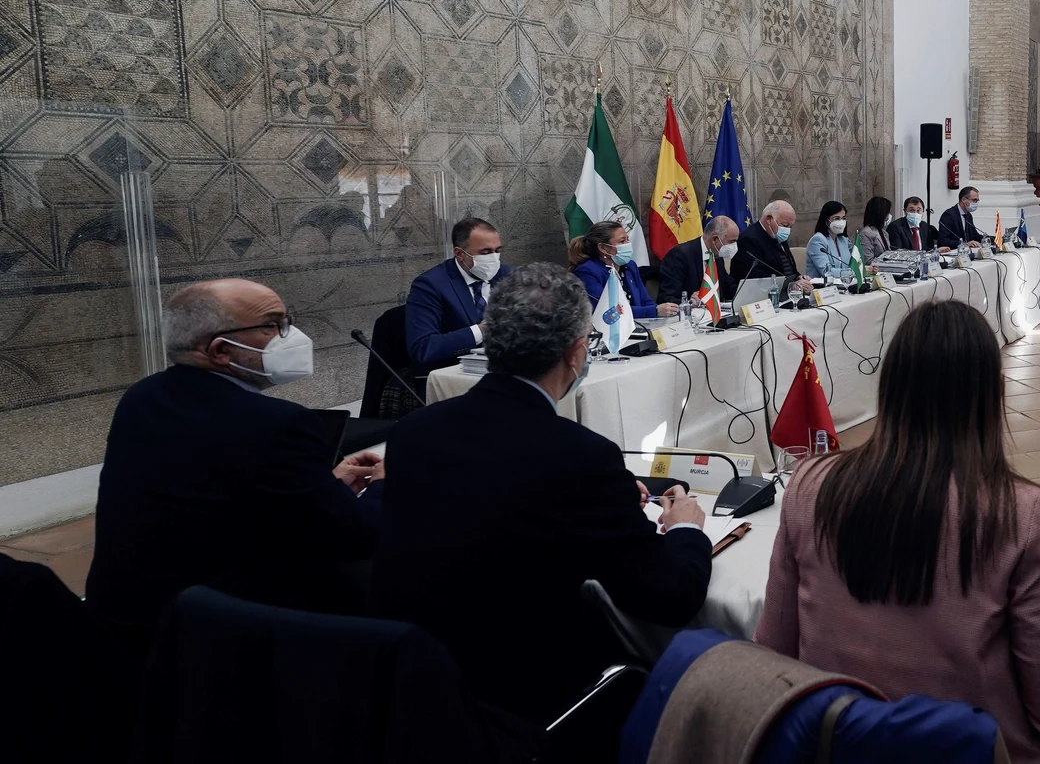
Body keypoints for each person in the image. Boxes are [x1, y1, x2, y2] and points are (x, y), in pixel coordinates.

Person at [755, 300, 1040, 764]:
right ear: (991, 395)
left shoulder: (810, 486)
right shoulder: (1022, 513)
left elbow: (772, 656)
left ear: (891, 388)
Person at [374, 263, 711, 728]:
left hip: (420, 683)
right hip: (532, 695)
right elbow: (670, 597)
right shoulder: (581, 456)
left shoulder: (412, 432)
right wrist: (687, 527)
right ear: (576, 353)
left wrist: (605, 503)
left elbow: (491, 505)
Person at [87, 279, 382, 649]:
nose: (290, 336)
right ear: (222, 350)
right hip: (223, 630)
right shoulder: (278, 423)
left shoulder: (143, 396)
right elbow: (352, 538)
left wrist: (327, 487)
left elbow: (227, 497)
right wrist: (386, 484)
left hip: (131, 617)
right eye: (273, 325)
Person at [405, 216, 510, 373]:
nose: (494, 259)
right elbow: (423, 347)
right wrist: (481, 331)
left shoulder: (507, 276)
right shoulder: (431, 285)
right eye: (485, 252)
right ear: (460, 254)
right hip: (456, 373)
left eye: (497, 251)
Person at [570, 221, 677, 319]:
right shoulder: (586, 272)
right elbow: (606, 312)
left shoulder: (629, 266)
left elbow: (645, 300)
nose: (627, 245)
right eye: (622, 241)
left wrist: (661, 312)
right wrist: (654, 311)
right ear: (602, 248)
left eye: (627, 240)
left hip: (640, 327)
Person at [732, 199, 814, 293]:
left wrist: (799, 277)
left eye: (790, 226)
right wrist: (791, 286)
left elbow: (787, 269)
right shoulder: (749, 240)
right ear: (769, 219)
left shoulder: (776, 234)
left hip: (786, 296)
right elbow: (757, 279)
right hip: (761, 299)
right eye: (785, 225)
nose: (788, 230)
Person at [656, 215, 739, 303]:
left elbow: (729, 288)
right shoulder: (680, 255)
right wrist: (690, 302)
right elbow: (665, 298)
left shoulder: (717, 256)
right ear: (714, 239)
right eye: (731, 242)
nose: (734, 246)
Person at [805, 200, 857, 281]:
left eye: (843, 218)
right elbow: (826, 272)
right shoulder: (817, 240)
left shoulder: (843, 240)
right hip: (822, 289)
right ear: (826, 220)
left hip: (843, 285)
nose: (841, 222)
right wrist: (853, 272)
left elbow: (854, 262)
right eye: (836, 218)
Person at [858, 196, 893, 263]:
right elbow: (867, 260)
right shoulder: (866, 233)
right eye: (888, 212)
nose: (889, 215)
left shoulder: (884, 232)